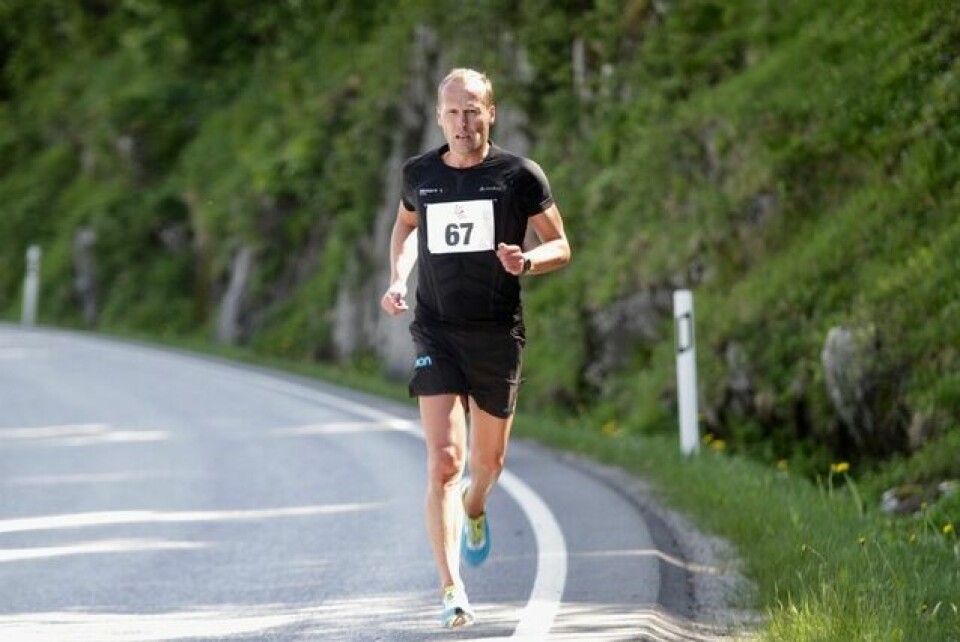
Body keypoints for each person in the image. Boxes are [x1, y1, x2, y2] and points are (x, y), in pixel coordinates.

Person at [380, 67, 571, 629]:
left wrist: (528, 261)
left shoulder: (518, 176)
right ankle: (451, 588)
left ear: (492, 113)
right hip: (436, 332)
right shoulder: (420, 174)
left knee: (487, 465)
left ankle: (477, 506)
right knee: (444, 462)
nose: (463, 123)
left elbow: (561, 243)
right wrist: (396, 278)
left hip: (496, 334)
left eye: (473, 111)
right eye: (453, 112)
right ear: (439, 117)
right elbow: (407, 228)